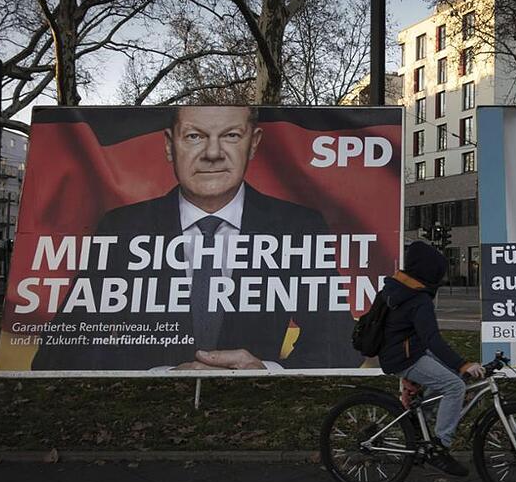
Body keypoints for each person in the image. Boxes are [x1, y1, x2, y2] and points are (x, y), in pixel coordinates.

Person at [31, 105, 359, 371]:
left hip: (256, 409)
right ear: (169, 145)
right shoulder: (122, 228)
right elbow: (60, 353)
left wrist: (267, 371)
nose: (213, 153)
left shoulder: (298, 226)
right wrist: (160, 375)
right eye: (194, 136)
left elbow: (342, 343)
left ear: (254, 143)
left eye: (231, 135)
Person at [379, 241, 485, 476]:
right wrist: (463, 364)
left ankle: (417, 420)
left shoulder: (400, 287)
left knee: (451, 374)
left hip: (402, 349)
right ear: (430, 271)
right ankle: (439, 448)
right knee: (455, 386)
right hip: (404, 356)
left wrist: (457, 366)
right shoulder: (419, 299)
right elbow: (433, 339)